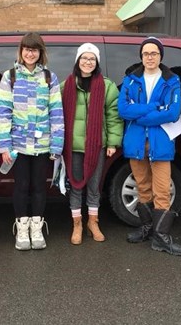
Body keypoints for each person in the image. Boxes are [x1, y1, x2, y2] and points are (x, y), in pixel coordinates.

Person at [118, 36, 181, 257]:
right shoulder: (130, 80)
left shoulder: (172, 80)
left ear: (160, 56)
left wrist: (141, 115)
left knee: (162, 190)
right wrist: (152, 109)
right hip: (137, 141)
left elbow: (173, 112)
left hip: (161, 141)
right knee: (143, 187)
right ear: (141, 56)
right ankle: (148, 228)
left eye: (154, 53)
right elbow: (123, 110)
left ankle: (162, 237)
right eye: (146, 53)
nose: (150, 57)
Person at [0, 32, 64, 251]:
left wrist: (56, 145)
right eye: (26, 49)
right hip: (18, 145)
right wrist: (4, 145)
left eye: (34, 49)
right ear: (21, 51)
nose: (30, 53)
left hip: (43, 144)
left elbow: (56, 112)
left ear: (40, 52)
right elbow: (4, 113)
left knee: (38, 187)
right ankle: (22, 228)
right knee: (21, 186)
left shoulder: (48, 77)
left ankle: (37, 227)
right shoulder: (10, 77)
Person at [60, 43, 123, 245]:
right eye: (84, 58)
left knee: (94, 187)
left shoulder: (107, 86)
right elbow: (56, 115)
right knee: (76, 187)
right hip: (73, 147)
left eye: (92, 59)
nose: (88, 62)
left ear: (96, 63)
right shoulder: (66, 86)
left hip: (97, 146)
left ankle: (93, 222)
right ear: (78, 61)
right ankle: (77, 224)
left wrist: (112, 142)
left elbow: (113, 116)